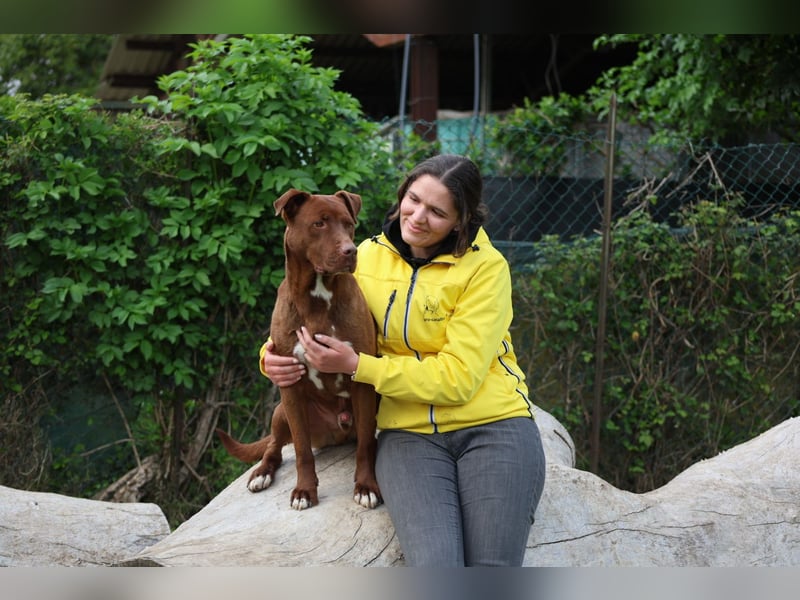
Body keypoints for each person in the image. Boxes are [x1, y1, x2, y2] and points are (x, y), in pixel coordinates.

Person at [260, 154, 546, 566]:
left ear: (461, 221)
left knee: (491, 569)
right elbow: (301, 317)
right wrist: (269, 359)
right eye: (414, 199)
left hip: (492, 425)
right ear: (401, 195)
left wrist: (360, 367)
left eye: (437, 211)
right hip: (407, 432)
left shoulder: (486, 269)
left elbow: (459, 379)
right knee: (435, 570)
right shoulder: (363, 258)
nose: (418, 216)